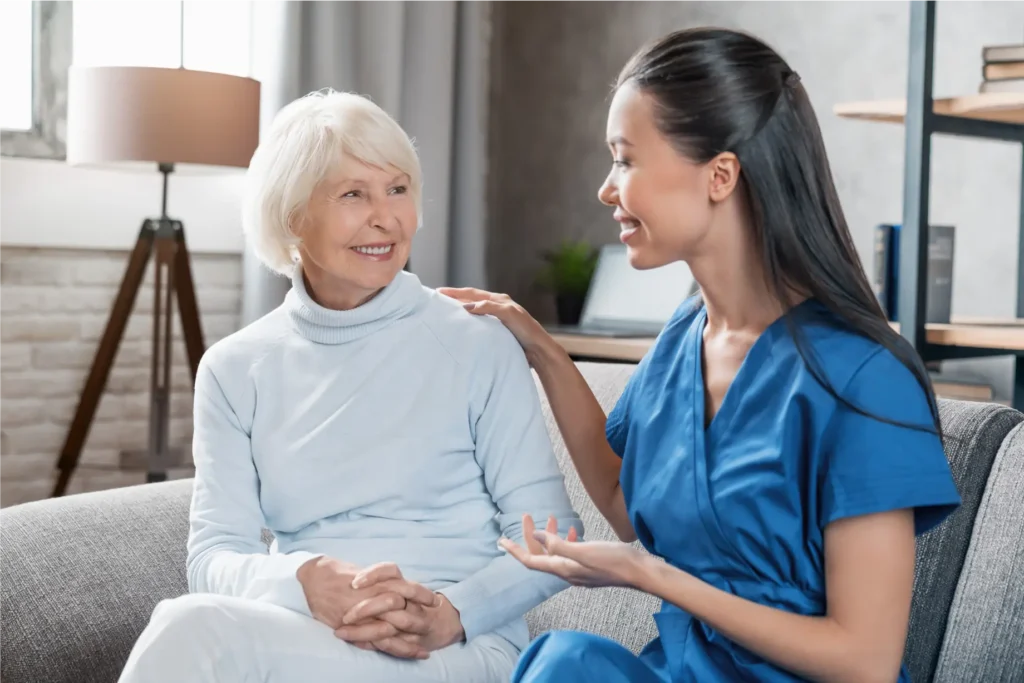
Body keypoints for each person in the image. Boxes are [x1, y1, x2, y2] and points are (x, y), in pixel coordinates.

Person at [440, 27, 962, 683]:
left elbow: (865, 660)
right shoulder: (683, 339)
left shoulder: (864, 381)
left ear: (720, 175)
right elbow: (621, 500)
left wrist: (655, 577)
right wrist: (541, 349)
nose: (607, 188)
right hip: (683, 672)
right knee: (565, 663)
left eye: (626, 160)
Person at [117, 89, 583, 683]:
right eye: (352, 194)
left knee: (196, 632)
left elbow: (554, 537)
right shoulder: (236, 369)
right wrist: (302, 583)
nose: (385, 217)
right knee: (194, 623)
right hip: (306, 636)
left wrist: (451, 613)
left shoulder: (475, 342)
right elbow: (213, 557)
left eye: (398, 189)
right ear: (292, 217)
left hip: (459, 649)